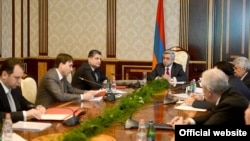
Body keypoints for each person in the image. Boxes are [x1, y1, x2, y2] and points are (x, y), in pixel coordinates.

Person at [168, 68, 249, 126]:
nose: (203, 92)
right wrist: (189, 121)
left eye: (203, 88)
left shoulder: (229, 104)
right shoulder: (226, 93)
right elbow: (213, 114)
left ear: (210, 91)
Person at [185, 61, 250, 109]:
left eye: (215, 72)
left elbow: (218, 106)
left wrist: (193, 102)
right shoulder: (233, 80)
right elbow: (220, 100)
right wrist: (202, 98)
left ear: (222, 73)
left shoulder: (231, 86)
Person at [0, 58, 46, 123]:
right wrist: (25, 114)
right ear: (4, 75)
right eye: (17, 78)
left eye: (20, 77)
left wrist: (36, 107)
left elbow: (23, 103)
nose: (19, 82)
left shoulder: (15, 88)